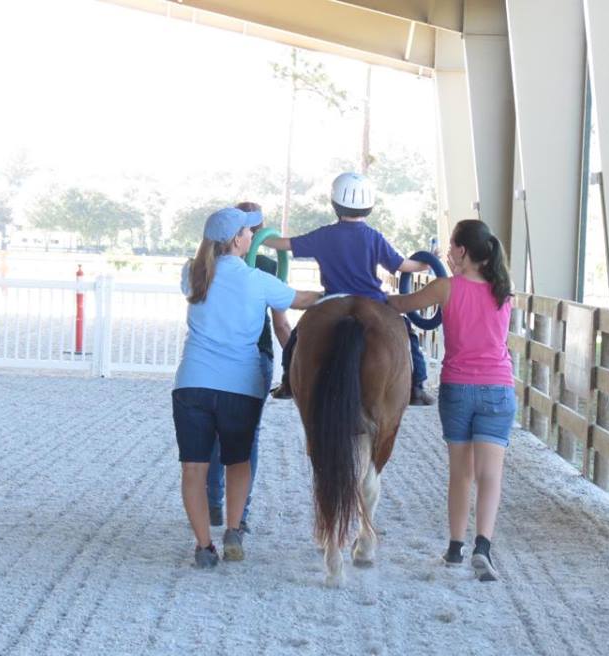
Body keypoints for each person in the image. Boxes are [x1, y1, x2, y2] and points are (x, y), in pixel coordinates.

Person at [173, 206, 321, 568]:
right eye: (248, 232)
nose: (253, 236)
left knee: (193, 468)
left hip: (191, 383)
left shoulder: (193, 274)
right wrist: (341, 293)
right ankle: (235, 529)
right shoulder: (257, 280)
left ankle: (204, 547)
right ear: (238, 239)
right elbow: (302, 299)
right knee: (238, 461)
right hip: (240, 386)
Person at [386, 219, 515, 582]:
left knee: (461, 472)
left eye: (451, 247)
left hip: (458, 387)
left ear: (460, 250)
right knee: (491, 475)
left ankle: (455, 547)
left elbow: (400, 304)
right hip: (498, 388)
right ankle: (483, 546)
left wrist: (373, 294)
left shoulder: (446, 287)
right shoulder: (504, 290)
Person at [264, 172, 436, 405]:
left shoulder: (323, 235)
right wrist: (427, 262)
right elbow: (402, 265)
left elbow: (287, 244)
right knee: (408, 334)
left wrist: (260, 239)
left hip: (333, 299)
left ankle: (288, 380)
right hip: (374, 301)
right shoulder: (374, 237)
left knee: (298, 334)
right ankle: (417, 385)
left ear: (335, 204)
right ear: (369, 207)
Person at [203, 202, 292, 533]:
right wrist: (294, 359)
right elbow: (281, 322)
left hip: (209, 358)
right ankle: (240, 514)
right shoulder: (266, 267)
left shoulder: (205, 266)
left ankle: (213, 501)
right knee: (247, 436)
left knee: (211, 431)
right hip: (256, 354)